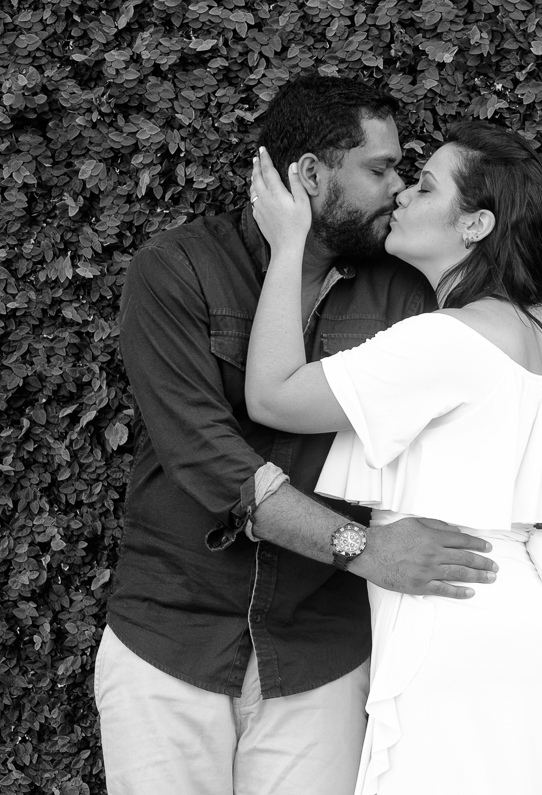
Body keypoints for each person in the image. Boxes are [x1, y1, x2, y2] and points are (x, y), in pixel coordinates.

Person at [95, 75, 499, 795]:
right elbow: (207, 456)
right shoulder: (178, 269)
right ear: (310, 173)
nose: (398, 189)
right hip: (170, 637)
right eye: (379, 170)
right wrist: (366, 550)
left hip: (318, 651)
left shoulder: (402, 293)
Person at [245, 121, 542, 794]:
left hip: (456, 621)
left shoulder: (444, 341)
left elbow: (273, 396)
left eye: (427, 185)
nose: (402, 194)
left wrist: (288, 245)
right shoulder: (541, 327)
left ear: (475, 226)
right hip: (523, 619)